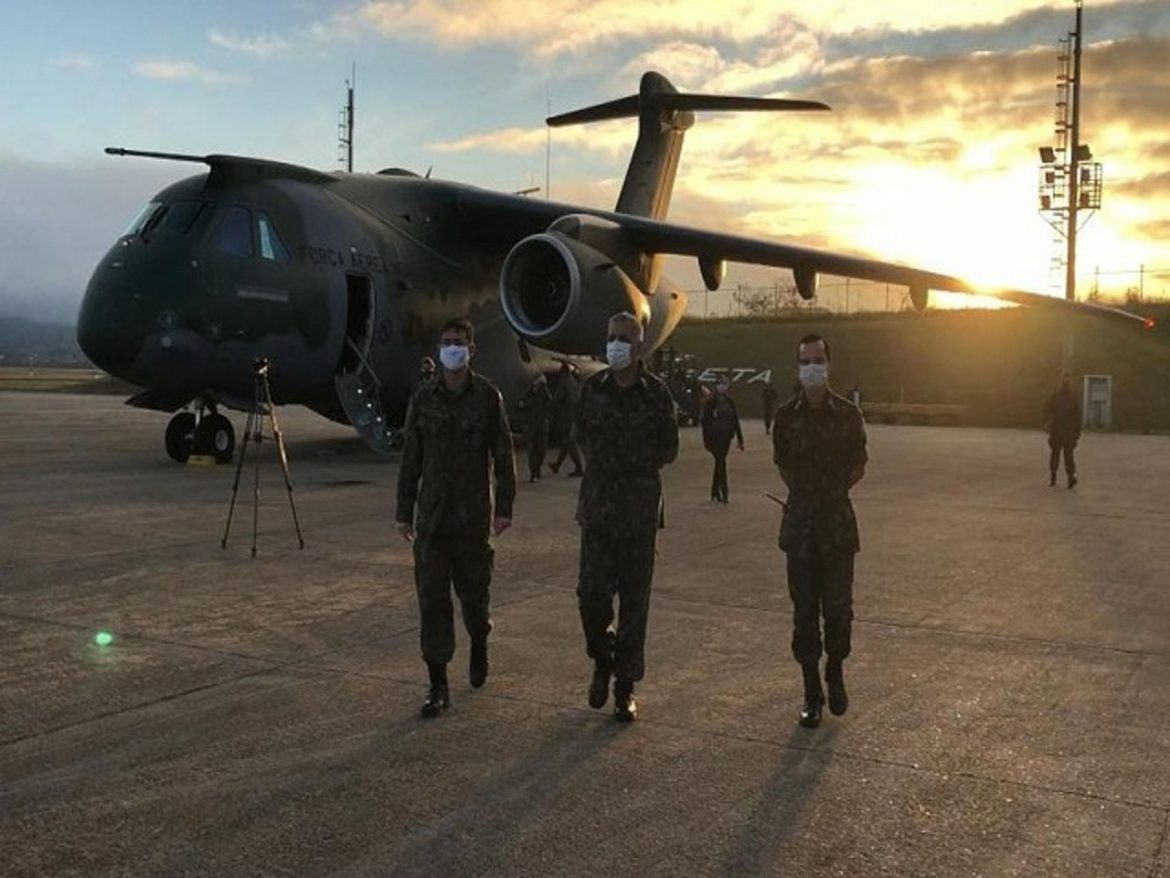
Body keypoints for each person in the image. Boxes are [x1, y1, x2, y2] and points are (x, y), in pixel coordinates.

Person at [395, 318, 516, 719]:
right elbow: (411, 457)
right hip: (432, 520)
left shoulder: (487, 397)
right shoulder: (423, 398)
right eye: (446, 342)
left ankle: (479, 639)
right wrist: (403, 511)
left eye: (458, 343)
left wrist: (504, 508)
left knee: (474, 601)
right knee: (432, 602)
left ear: (471, 350)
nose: (451, 348)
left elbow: (503, 455)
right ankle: (438, 684)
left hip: (472, 520)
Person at [574, 312, 679, 722]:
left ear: (639, 347)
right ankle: (602, 657)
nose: (615, 345)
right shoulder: (591, 390)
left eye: (623, 339)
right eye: (611, 337)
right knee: (591, 597)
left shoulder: (656, 395)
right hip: (598, 511)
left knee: (635, 604)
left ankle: (625, 686)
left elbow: (668, 448)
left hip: (638, 513)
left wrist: (632, 466)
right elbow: (579, 434)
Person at [772, 333, 867, 729]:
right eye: (805, 361)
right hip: (800, 529)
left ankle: (836, 669)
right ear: (798, 366)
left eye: (818, 360)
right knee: (805, 614)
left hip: (837, 528)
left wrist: (830, 490)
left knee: (840, 612)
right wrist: (806, 492)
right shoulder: (786, 416)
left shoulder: (848, 415)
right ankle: (812, 691)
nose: (812, 367)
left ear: (829, 364)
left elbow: (859, 464)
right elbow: (782, 464)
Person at [701, 378, 744, 503]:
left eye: (724, 384)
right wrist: (707, 439)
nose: (722, 387)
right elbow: (705, 422)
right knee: (721, 462)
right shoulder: (710, 403)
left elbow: (735, 420)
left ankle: (715, 491)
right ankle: (724, 491)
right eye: (720, 384)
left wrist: (740, 438)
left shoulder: (730, 402)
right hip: (714, 437)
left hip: (726, 437)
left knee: (720, 462)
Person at [1044, 373, 1081, 488]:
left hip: (1064, 430)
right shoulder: (1058, 396)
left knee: (1065, 455)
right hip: (1059, 430)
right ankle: (1056, 476)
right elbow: (1047, 410)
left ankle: (1067, 477)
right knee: (1060, 455)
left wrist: (1076, 432)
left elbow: (1077, 416)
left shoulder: (1069, 397)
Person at [548, 362, 584, 477]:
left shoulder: (564, 384)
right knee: (566, 443)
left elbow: (557, 400)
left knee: (569, 443)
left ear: (563, 372)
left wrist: (550, 409)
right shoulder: (574, 383)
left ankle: (579, 468)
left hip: (566, 418)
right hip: (573, 417)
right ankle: (557, 465)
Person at [519, 374, 553, 482]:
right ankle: (533, 472)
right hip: (531, 425)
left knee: (541, 450)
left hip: (541, 425)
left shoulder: (545, 394)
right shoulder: (529, 393)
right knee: (532, 451)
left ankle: (537, 470)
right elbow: (522, 404)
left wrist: (547, 418)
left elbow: (549, 407)